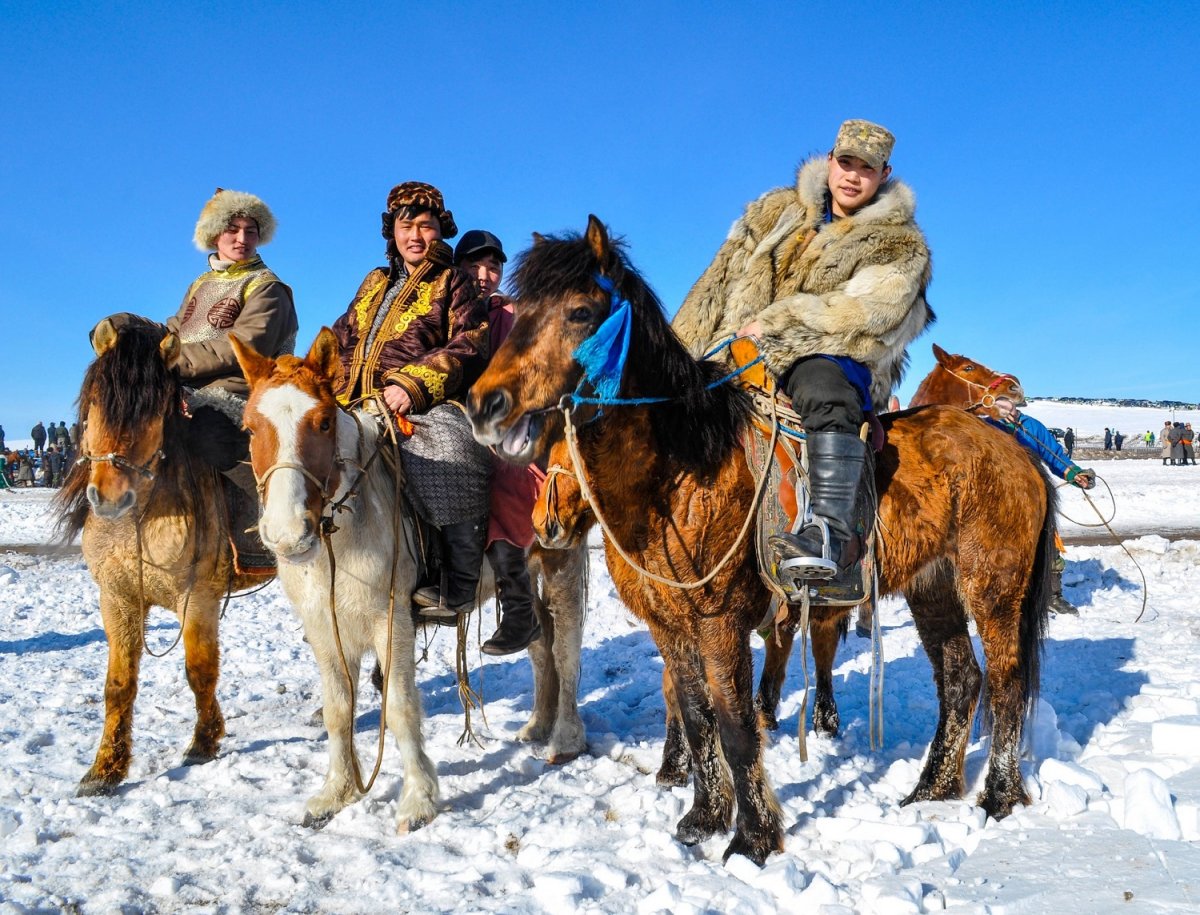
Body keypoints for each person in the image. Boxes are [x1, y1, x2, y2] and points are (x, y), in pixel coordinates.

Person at [673, 118, 933, 593]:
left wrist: (775, 326)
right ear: (830, 162)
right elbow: (714, 286)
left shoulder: (901, 243)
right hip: (740, 353)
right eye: (846, 163)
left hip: (839, 356)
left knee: (819, 382)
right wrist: (678, 355)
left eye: (866, 168)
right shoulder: (776, 211)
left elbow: (868, 312)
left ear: (884, 173)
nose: (853, 176)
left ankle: (832, 535)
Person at [329, 181, 491, 621]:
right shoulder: (373, 281)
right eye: (407, 225)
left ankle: (457, 584)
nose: (416, 235)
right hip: (352, 402)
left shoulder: (453, 280)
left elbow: (470, 343)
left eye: (427, 225)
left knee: (453, 450)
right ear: (392, 232)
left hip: (420, 403)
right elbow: (340, 338)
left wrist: (411, 384)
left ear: (442, 231)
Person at [448, 230, 545, 654]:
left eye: (493, 268)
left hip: (506, 425)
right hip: (450, 416)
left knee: (505, 482)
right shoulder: (446, 309)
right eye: (474, 266)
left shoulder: (512, 315)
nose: (485, 275)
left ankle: (519, 608)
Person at [984, 396, 1095, 615]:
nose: (1005, 408)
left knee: (1046, 546)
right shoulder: (985, 426)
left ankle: (1052, 596)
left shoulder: (1032, 426)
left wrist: (1075, 474)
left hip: (1031, 497)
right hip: (994, 498)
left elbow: (1054, 456)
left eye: (1008, 403)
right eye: (999, 404)